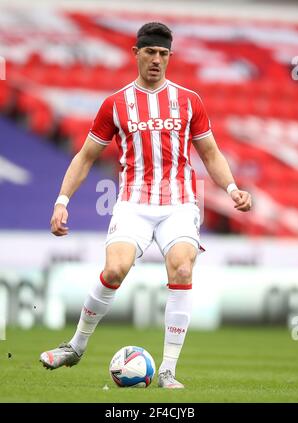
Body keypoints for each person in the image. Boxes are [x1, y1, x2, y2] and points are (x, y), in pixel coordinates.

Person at [40, 22, 252, 389]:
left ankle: (168, 370)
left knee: (182, 268)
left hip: (180, 202)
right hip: (134, 202)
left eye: (163, 54)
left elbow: (211, 153)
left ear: (170, 57)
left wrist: (232, 187)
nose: (157, 60)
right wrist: (62, 201)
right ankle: (75, 347)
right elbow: (86, 156)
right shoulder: (116, 103)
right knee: (116, 269)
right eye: (150, 52)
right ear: (136, 53)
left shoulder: (189, 101)